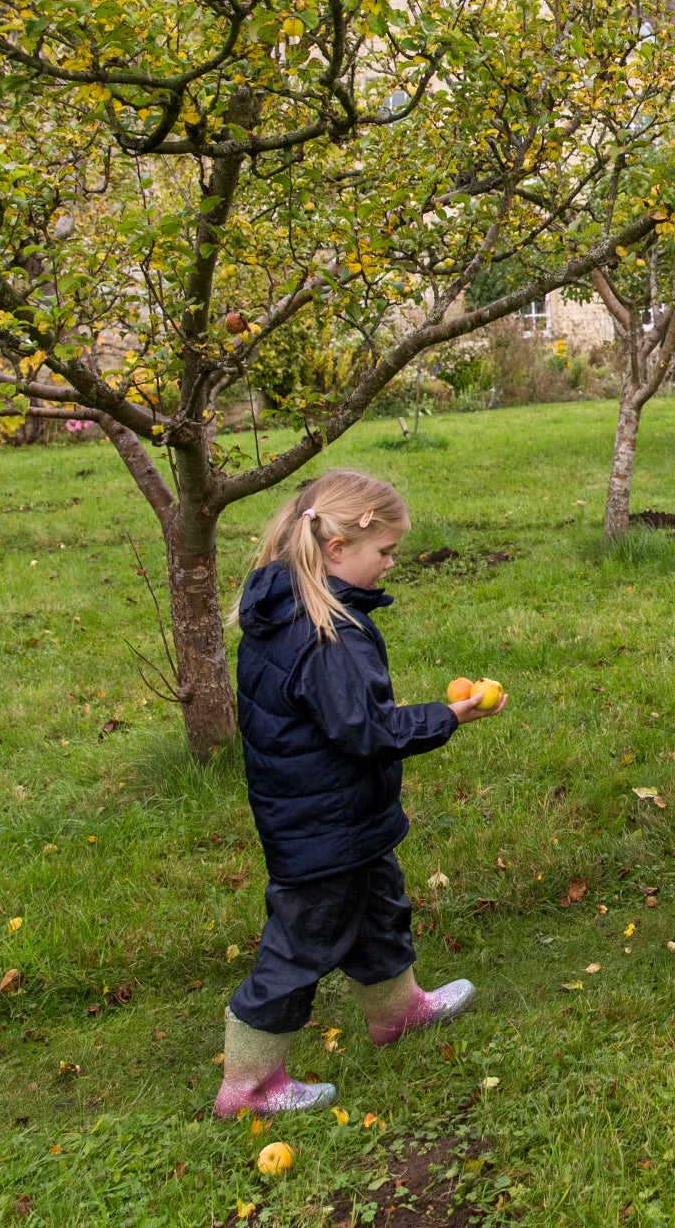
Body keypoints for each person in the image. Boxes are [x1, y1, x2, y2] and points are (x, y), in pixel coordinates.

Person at [213, 469, 504, 1118]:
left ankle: (397, 1012)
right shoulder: (327, 635)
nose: (391, 563)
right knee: (301, 942)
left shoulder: (289, 604)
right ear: (338, 546)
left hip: (334, 811)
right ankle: (249, 1084)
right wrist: (450, 715)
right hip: (323, 824)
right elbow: (368, 730)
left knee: (378, 909)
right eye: (386, 551)